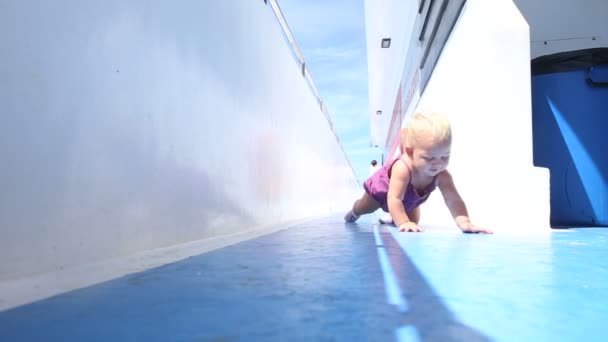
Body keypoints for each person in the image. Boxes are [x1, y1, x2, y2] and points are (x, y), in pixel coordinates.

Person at [344, 112, 492, 234]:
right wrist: (403, 222)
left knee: (413, 223)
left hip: (409, 200)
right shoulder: (402, 169)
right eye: (429, 158)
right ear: (410, 152)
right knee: (365, 207)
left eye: (445, 156)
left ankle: (392, 217)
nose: (438, 163)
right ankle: (354, 211)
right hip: (383, 193)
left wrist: (464, 221)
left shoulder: (442, 175)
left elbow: (453, 200)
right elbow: (394, 198)